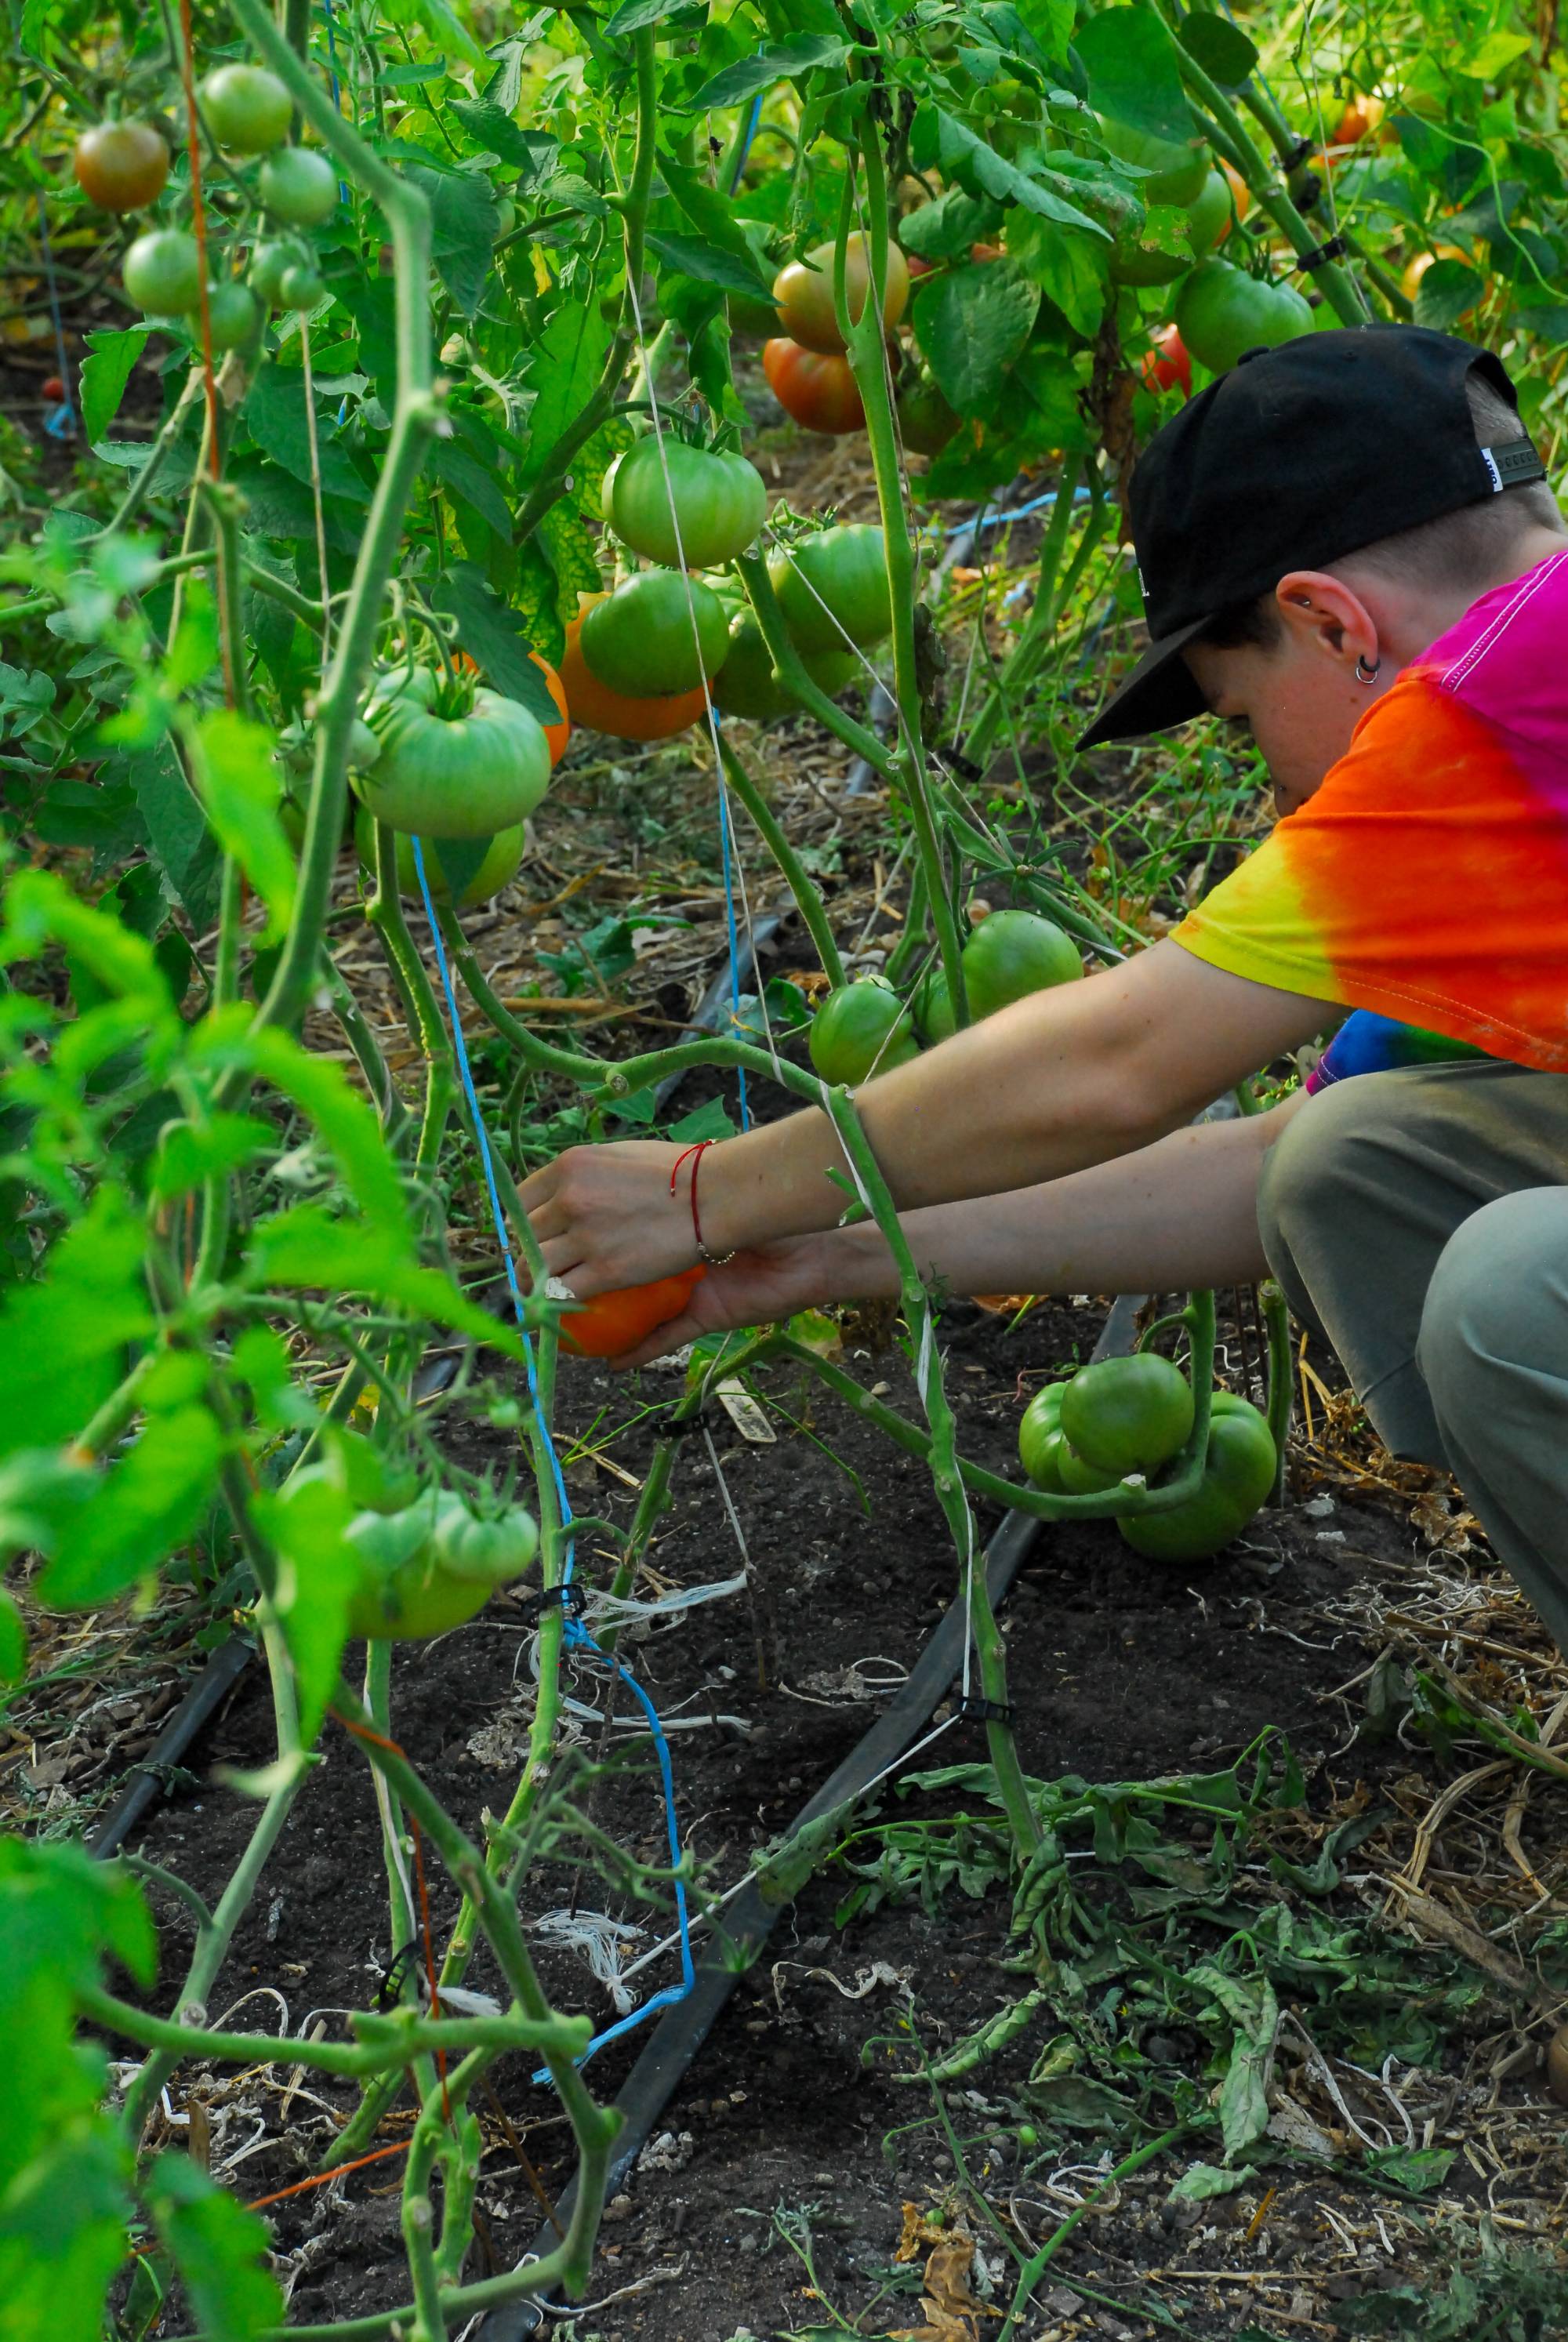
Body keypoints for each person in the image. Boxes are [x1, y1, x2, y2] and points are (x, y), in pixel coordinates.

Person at [519, 325, 1568, 1651]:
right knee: (1355, 1151)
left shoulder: (1484, 707)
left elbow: (1118, 1062)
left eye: (1243, 715)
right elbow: (1281, 1179)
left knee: (1514, 1289)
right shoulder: (1523, 784)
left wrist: (703, 1193)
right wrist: (822, 1262)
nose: (1271, 782)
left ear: (1327, 622)